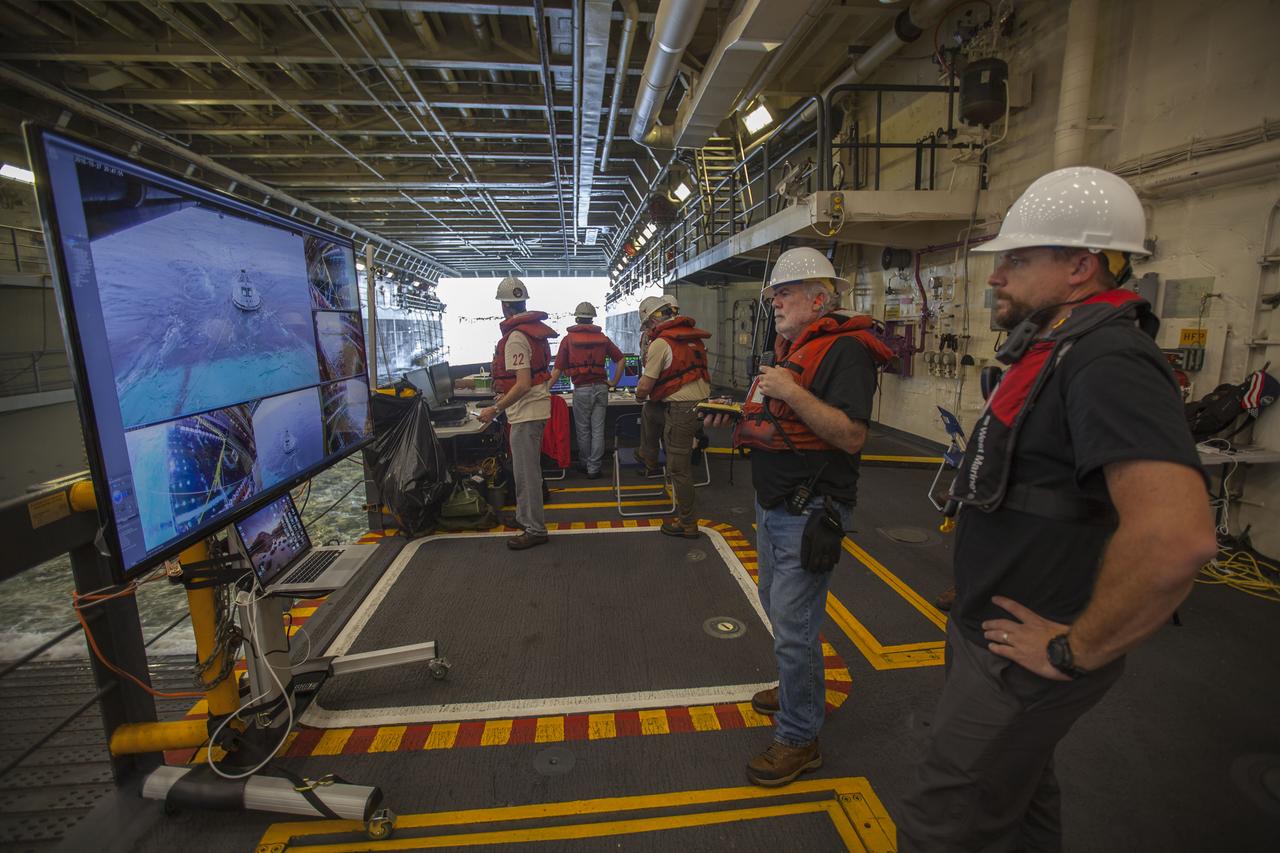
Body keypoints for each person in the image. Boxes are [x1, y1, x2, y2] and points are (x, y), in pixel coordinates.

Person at [895, 167, 1218, 852]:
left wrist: (1077, 648)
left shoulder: (1107, 359)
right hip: (996, 634)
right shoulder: (1059, 351)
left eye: (1017, 259)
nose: (995, 277)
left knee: (942, 821)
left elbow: (1177, 537)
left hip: (1022, 659)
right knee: (1021, 801)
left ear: (1080, 265)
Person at [706, 246, 891, 787]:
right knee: (778, 610)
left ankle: (798, 737)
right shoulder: (795, 347)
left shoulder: (845, 353)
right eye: (772, 295)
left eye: (782, 294)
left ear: (818, 297)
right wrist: (741, 413)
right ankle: (797, 692)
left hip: (809, 509)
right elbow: (782, 422)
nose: (774, 302)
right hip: (774, 504)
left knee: (795, 627)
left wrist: (788, 390)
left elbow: (852, 435)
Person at [478, 276, 558, 550]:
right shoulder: (532, 333)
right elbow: (538, 378)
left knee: (526, 474)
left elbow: (523, 383)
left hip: (526, 414)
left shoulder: (515, 338)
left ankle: (535, 529)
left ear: (504, 308)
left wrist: (494, 408)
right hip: (532, 410)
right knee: (526, 470)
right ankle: (525, 516)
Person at [634, 294, 711, 538]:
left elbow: (646, 387)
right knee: (651, 410)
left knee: (679, 468)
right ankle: (648, 455)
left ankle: (688, 523)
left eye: (646, 325)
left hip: (681, 410)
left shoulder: (660, 343)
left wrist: (637, 394)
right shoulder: (694, 339)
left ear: (651, 322)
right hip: (698, 406)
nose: (647, 330)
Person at [547, 301, 624, 479]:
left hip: (581, 390)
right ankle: (594, 468)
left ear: (577, 318)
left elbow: (557, 370)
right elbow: (621, 360)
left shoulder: (568, 340)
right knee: (598, 429)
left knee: (583, 430)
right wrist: (613, 381)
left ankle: (584, 463)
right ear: (592, 320)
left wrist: (544, 390)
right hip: (601, 389)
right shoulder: (603, 339)